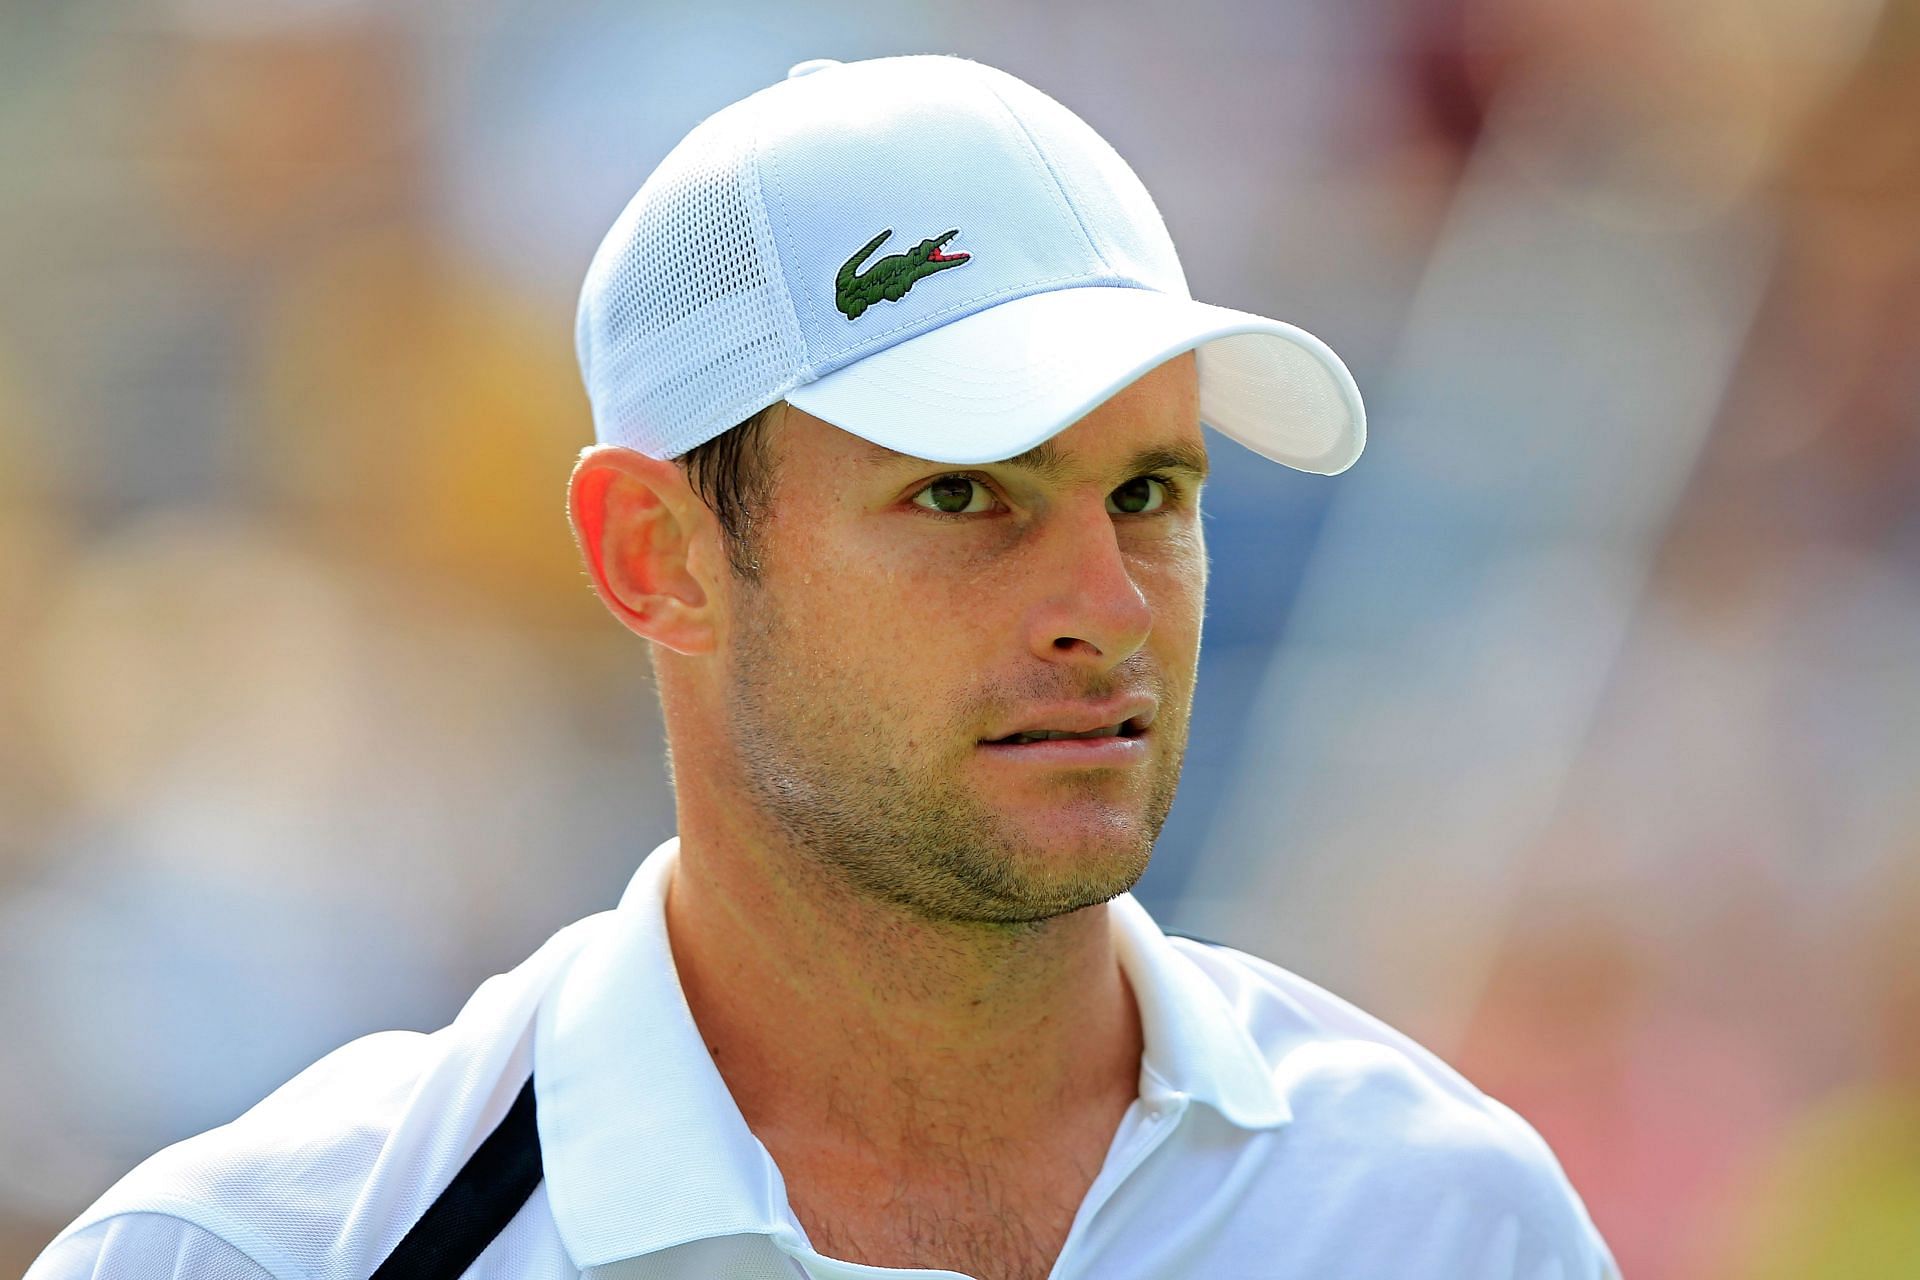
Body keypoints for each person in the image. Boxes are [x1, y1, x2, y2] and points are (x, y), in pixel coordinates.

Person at [28, 54, 1617, 1280]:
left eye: (1149, 492)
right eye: (960, 493)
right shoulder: (262, 1252)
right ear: (658, 557)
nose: (1106, 605)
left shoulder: (1451, 1215)